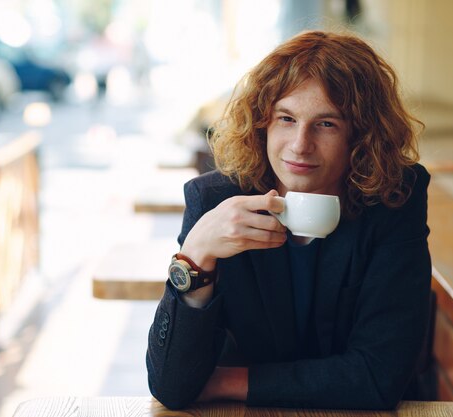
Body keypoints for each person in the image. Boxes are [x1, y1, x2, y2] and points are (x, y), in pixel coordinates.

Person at [146, 30, 432, 410]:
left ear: (361, 136)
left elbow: (378, 378)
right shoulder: (216, 200)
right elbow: (171, 385)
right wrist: (197, 253)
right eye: (286, 118)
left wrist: (230, 380)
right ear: (263, 122)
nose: (300, 144)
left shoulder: (394, 202)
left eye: (326, 124)